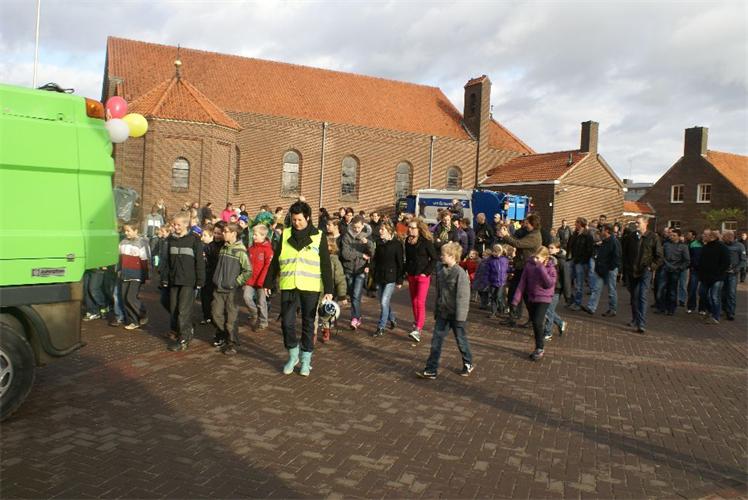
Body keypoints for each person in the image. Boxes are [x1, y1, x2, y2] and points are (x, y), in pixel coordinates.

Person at [269, 200, 334, 376]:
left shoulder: (318, 236)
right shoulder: (286, 234)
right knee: (287, 323)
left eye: (300, 220)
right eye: (294, 219)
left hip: (310, 287)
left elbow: (325, 264)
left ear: (308, 218)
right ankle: (293, 355)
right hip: (289, 285)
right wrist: (268, 282)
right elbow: (276, 260)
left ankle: (306, 360)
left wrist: (329, 290)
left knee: (308, 324)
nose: (296, 223)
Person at [417, 242, 474, 379]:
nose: (441, 256)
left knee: (461, 340)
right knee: (436, 341)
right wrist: (437, 310)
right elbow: (439, 293)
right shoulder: (440, 270)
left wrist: (460, 317)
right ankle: (431, 369)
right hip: (443, 312)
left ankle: (468, 363)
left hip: (456, 315)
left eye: (443, 255)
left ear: (452, 256)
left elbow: (463, 297)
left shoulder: (460, 273)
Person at [164, 213, 206, 351]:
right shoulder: (171, 240)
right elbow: (167, 262)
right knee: (174, 308)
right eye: (174, 224)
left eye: (178, 224)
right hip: (174, 280)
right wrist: (165, 277)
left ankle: (184, 339)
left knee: (183, 310)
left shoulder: (194, 240)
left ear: (186, 224)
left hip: (188, 281)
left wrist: (200, 280)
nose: (175, 227)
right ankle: (182, 329)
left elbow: (199, 262)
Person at [211, 222, 252, 355]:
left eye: (226, 231)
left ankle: (231, 343)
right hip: (218, 288)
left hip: (232, 290)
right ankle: (224, 335)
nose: (223, 233)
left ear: (234, 233)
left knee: (231, 318)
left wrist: (236, 282)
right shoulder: (223, 248)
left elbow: (248, 270)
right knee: (215, 314)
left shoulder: (240, 251)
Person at [496, 214, 542, 326]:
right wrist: (507, 235)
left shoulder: (534, 236)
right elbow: (517, 240)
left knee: (520, 293)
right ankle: (515, 316)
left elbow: (518, 244)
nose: (525, 225)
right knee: (517, 293)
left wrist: (506, 236)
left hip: (526, 268)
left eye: (527, 223)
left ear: (533, 224)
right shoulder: (531, 234)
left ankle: (527, 318)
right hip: (522, 267)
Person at [512, 246, 557, 360]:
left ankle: (539, 348)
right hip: (531, 297)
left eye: (538, 258)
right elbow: (522, 282)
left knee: (537, 322)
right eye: (535, 257)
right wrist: (516, 300)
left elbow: (548, 284)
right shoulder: (529, 265)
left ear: (545, 257)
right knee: (535, 322)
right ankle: (538, 344)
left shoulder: (551, 268)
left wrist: (541, 268)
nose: (536, 260)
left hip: (544, 297)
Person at [621, 216, 663, 334]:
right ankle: (635, 319)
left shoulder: (653, 237)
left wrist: (651, 267)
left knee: (642, 296)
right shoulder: (631, 237)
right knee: (634, 296)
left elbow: (659, 256)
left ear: (646, 223)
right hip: (632, 271)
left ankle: (641, 324)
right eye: (635, 223)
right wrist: (626, 267)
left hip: (645, 271)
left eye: (638, 223)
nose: (636, 225)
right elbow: (625, 253)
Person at [404, 218, 438, 343]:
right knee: (413, 301)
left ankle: (418, 329)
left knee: (420, 302)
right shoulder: (407, 241)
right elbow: (408, 258)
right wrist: (406, 271)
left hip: (423, 276)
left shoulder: (426, 242)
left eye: (413, 228)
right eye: (409, 227)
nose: (410, 229)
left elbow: (434, 258)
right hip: (411, 274)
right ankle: (417, 322)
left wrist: (425, 273)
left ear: (419, 229)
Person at [339, 215, 375, 329]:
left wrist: (368, 243)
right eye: (354, 227)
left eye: (359, 227)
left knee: (355, 295)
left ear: (363, 226)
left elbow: (372, 253)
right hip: (349, 269)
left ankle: (354, 318)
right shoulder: (346, 237)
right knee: (352, 294)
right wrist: (360, 255)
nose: (356, 229)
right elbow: (345, 254)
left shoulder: (366, 236)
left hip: (360, 270)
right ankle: (358, 316)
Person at [371, 222, 404, 337]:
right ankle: (392, 319)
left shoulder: (397, 244)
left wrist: (400, 279)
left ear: (389, 231)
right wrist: (372, 272)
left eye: (382, 229)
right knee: (383, 302)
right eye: (380, 229)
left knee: (384, 302)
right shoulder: (378, 243)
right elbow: (375, 260)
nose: (380, 231)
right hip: (380, 276)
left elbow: (400, 263)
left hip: (391, 277)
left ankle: (381, 327)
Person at [118, 223, 150, 330]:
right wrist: (119, 270)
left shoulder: (141, 243)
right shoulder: (123, 242)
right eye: (125, 231)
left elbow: (144, 260)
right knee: (124, 298)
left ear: (136, 231)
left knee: (130, 297)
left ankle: (142, 312)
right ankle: (133, 321)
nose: (126, 233)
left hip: (136, 274)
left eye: (128, 231)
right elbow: (120, 258)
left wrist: (145, 276)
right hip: (125, 274)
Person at [586, 224, 621, 316]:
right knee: (596, 288)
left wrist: (611, 268)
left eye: (603, 230)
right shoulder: (604, 241)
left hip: (609, 270)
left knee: (611, 290)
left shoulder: (614, 242)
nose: (601, 231)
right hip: (601, 269)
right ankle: (591, 307)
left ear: (607, 231)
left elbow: (617, 257)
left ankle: (612, 309)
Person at [244, 224, 274, 331]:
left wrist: (262, 281)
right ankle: (254, 312)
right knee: (246, 297)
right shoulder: (251, 249)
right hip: (250, 279)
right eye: (253, 234)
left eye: (256, 235)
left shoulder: (268, 250)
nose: (253, 237)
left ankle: (263, 322)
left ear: (263, 236)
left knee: (261, 302)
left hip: (262, 281)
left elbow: (267, 267)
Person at [319, 237, 348, 343]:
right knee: (313, 313)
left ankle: (326, 330)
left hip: (328, 291)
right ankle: (312, 333)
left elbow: (340, 277)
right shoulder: (316, 257)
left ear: (332, 247)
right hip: (315, 289)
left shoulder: (334, 260)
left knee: (326, 313)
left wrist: (342, 295)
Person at [698, 229, 730, 324]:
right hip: (705, 277)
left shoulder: (722, 247)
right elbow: (701, 262)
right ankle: (710, 310)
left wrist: (718, 273)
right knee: (702, 294)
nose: (703, 236)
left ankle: (715, 316)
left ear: (711, 237)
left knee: (714, 296)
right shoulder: (705, 247)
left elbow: (726, 262)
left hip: (717, 277)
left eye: (705, 235)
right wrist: (701, 274)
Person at [659, 229, 690, 316]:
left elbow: (687, 260)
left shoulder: (683, 246)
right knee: (661, 289)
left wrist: (679, 268)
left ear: (679, 237)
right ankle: (662, 307)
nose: (671, 237)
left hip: (675, 270)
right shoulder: (666, 245)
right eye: (671, 235)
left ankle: (671, 308)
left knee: (672, 290)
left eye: (674, 235)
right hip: (665, 268)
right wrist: (664, 264)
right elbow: (662, 256)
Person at [567, 217, 595, 312]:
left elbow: (589, 250)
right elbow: (571, 245)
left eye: (576, 223)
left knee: (579, 284)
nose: (575, 224)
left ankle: (577, 303)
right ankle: (571, 300)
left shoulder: (587, 235)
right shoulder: (575, 234)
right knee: (568, 281)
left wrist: (583, 260)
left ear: (580, 224)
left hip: (581, 263)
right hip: (573, 260)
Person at [543, 242, 568, 341]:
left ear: (558, 249)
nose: (550, 249)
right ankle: (560, 322)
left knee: (548, 310)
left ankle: (548, 332)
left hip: (556, 289)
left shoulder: (561, 262)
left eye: (552, 248)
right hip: (547, 288)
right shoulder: (547, 258)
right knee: (548, 310)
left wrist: (567, 294)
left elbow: (566, 278)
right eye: (549, 247)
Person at [722, 230, 745, 321]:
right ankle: (723, 309)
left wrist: (736, 269)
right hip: (723, 273)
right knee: (723, 292)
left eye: (724, 237)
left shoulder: (740, 246)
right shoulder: (722, 245)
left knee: (731, 293)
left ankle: (730, 312)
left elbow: (743, 260)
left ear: (730, 237)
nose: (723, 238)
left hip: (733, 274)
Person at [485, 244, 509, 318]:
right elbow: (487, 271)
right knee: (493, 297)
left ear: (501, 252)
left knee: (499, 297)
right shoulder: (490, 260)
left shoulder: (504, 260)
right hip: (493, 281)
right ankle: (493, 312)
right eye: (494, 252)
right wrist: (486, 280)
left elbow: (507, 269)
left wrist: (511, 271)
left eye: (497, 252)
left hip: (501, 282)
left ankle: (501, 310)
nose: (495, 253)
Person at [686, 229, 705, 314]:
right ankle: (691, 306)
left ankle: (702, 308)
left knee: (703, 291)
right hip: (694, 270)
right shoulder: (693, 244)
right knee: (692, 289)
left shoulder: (709, 245)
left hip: (705, 271)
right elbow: (689, 256)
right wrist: (690, 265)